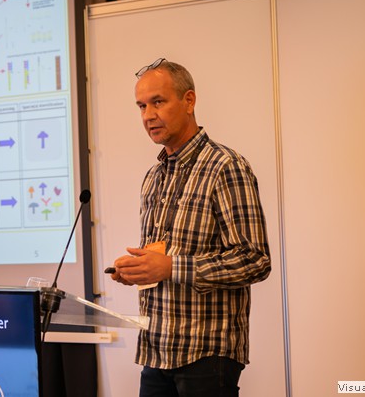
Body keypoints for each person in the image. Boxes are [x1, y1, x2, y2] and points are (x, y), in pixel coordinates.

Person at [110, 58, 271, 397]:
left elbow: (255, 260)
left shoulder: (225, 167)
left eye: (158, 102)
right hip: (157, 350)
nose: (148, 115)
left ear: (189, 101)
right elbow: (165, 258)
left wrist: (171, 267)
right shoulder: (154, 177)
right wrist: (140, 270)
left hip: (206, 354)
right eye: (141, 106)